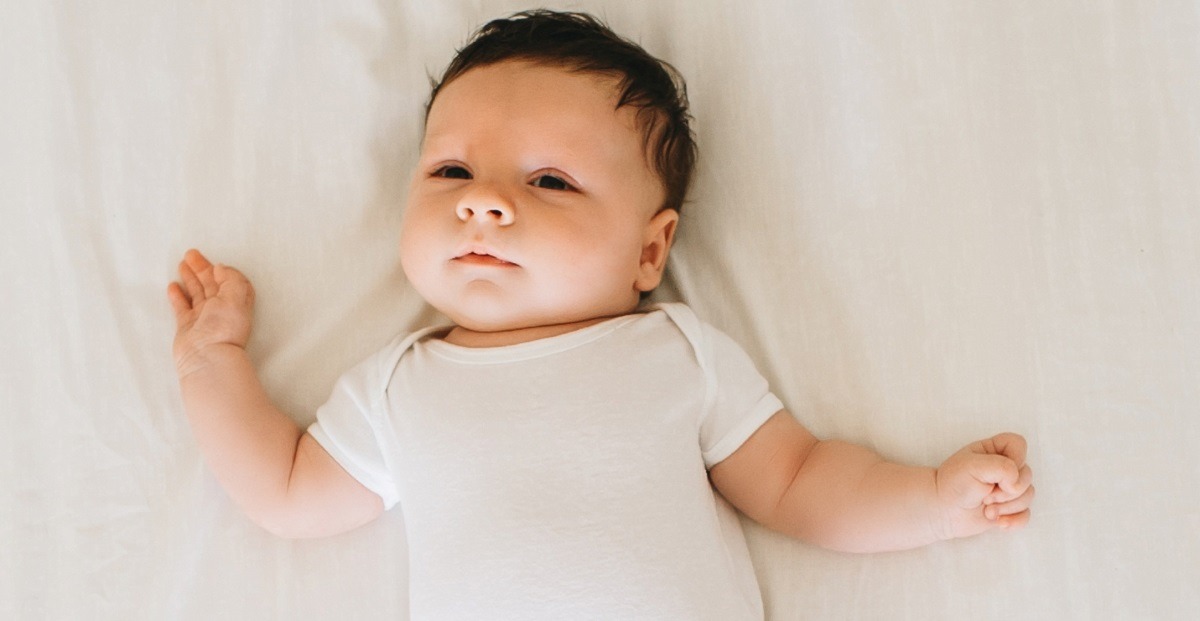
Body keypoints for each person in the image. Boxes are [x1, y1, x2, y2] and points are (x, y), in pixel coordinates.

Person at [167, 10, 1034, 619]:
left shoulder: (676, 352)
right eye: (451, 173)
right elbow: (284, 489)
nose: (485, 205)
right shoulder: (397, 387)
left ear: (650, 253)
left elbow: (799, 482)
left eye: (549, 181)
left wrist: (929, 500)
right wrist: (213, 364)